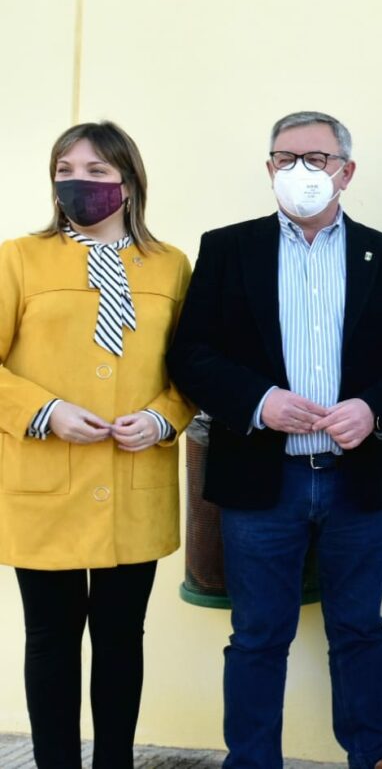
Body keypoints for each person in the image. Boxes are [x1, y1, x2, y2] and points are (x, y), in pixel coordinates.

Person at [166, 111, 382, 769]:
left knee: (357, 627)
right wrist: (259, 402)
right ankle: (253, 759)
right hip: (263, 481)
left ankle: (372, 753)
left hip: (358, 478)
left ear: (346, 170)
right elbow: (192, 354)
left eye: (316, 158)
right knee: (259, 633)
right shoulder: (228, 249)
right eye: (285, 157)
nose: (300, 171)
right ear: (268, 169)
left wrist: (372, 409)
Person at [0, 122, 195, 769]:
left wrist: (164, 418)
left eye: (96, 171)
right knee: (51, 637)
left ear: (129, 182)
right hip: (44, 483)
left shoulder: (169, 264)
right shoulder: (18, 258)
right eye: (65, 169)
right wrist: (44, 410)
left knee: (119, 638)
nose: (77, 183)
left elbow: (191, 370)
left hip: (133, 483)